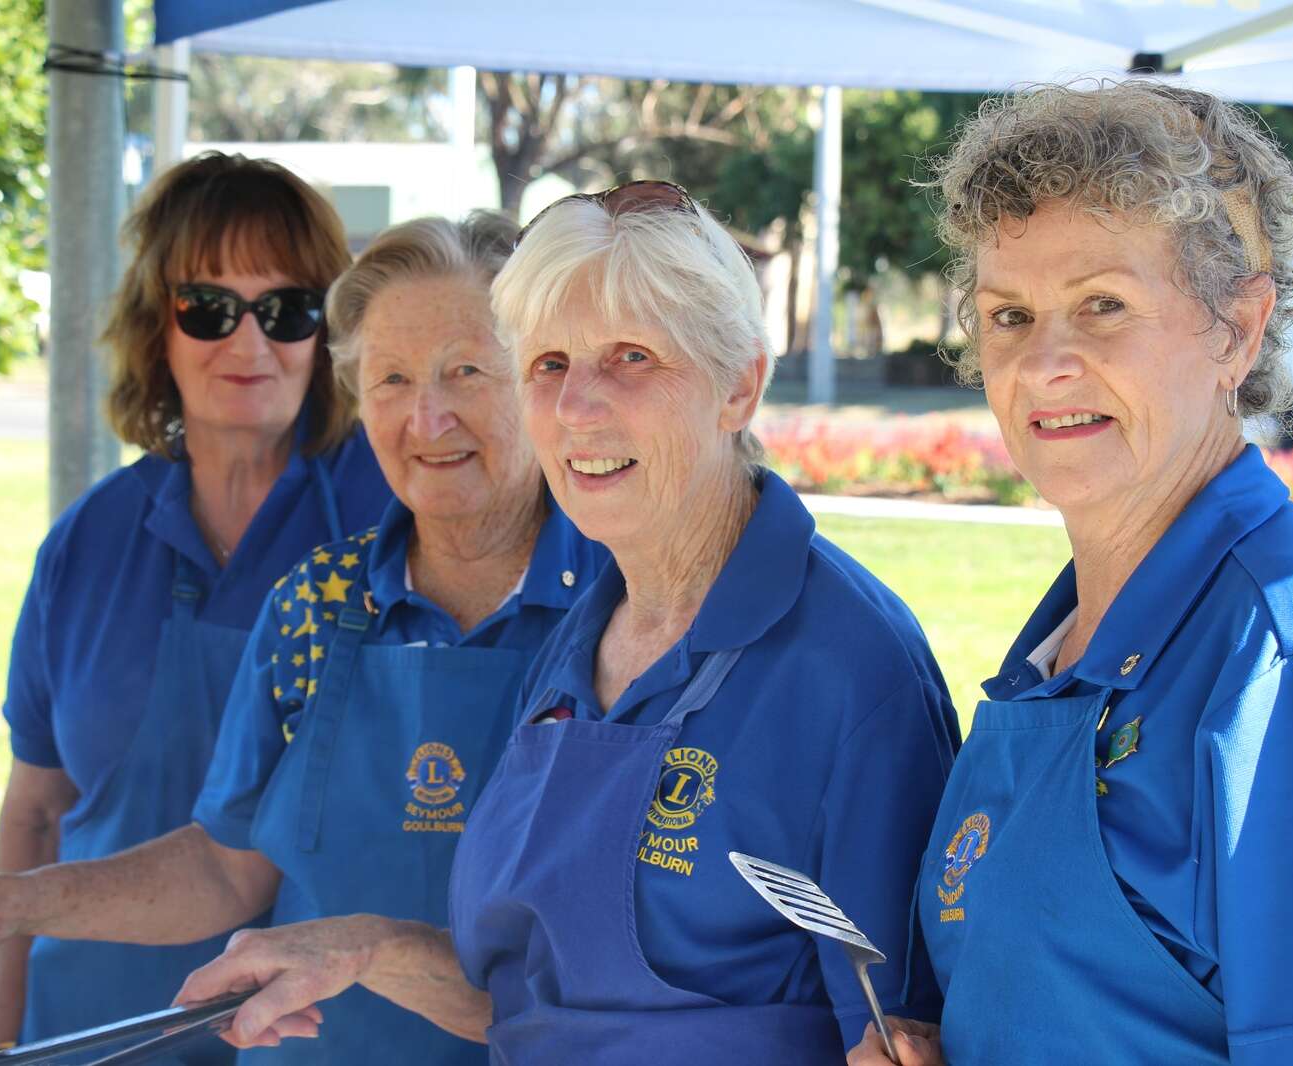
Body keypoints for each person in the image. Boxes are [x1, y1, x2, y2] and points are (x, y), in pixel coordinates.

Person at [166, 182, 961, 1064]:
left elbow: (896, 1035)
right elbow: (531, 1000)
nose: (578, 406)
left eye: (631, 357)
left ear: (740, 384)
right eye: (548, 364)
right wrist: (359, 949)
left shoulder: (852, 672)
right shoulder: (579, 644)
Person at [0, 212, 606, 1066]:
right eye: (391, 379)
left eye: (467, 371)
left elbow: (626, 953)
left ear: (543, 380)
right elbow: (227, 867)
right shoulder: (316, 604)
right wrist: (4, 904)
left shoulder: (624, 609)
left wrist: (374, 951)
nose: (427, 419)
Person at [846, 81, 1293, 1066]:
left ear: (1237, 329)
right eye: (1009, 315)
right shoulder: (1054, 652)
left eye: (1102, 305)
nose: (1044, 363)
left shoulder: (1290, 652)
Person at [0, 152, 390, 1056]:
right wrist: (3, 1045)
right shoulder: (86, 545)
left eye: (286, 310)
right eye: (208, 308)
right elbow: (35, 813)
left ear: (332, 334)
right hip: (85, 1033)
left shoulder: (396, 522)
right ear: (155, 327)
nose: (248, 346)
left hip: (314, 1040)